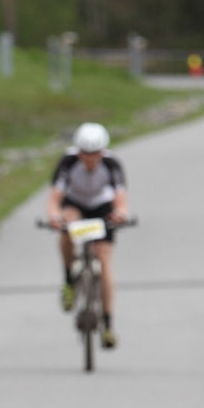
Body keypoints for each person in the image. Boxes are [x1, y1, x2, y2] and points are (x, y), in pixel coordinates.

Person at [45, 122, 130, 349]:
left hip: (102, 206)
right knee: (67, 226)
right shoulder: (68, 162)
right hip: (76, 204)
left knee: (104, 259)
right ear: (78, 151)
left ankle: (108, 324)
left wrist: (120, 214)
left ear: (102, 151)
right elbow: (55, 198)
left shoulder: (112, 164)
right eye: (85, 154)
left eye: (95, 154)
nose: (90, 159)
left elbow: (121, 198)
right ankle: (68, 281)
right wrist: (54, 217)